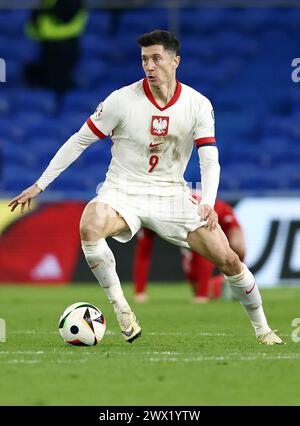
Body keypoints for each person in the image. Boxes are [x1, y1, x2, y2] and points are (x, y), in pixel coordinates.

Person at [9, 30, 283, 345]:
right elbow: (79, 140)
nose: (149, 66)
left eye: (156, 59)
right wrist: (40, 184)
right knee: (90, 224)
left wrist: (207, 201)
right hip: (123, 190)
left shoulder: (197, 105)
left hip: (171, 195)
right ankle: (122, 310)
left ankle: (264, 329)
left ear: (175, 61)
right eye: (144, 60)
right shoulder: (121, 100)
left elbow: (210, 159)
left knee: (229, 260)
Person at [133, 194, 245, 303]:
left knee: (237, 247)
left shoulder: (186, 211)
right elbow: (143, 251)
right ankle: (223, 281)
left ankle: (239, 280)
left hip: (218, 214)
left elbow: (205, 249)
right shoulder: (150, 214)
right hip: (191, 220)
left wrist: (202, 296)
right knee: (200, 288)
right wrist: (140, 292)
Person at [24, 0, 88, 94]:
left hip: (67, 50)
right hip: (49, 52)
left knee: (63, 82)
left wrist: (45, 30)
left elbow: (77, 27)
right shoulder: (43, 5)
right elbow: (30, 31)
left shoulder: (76, 4)